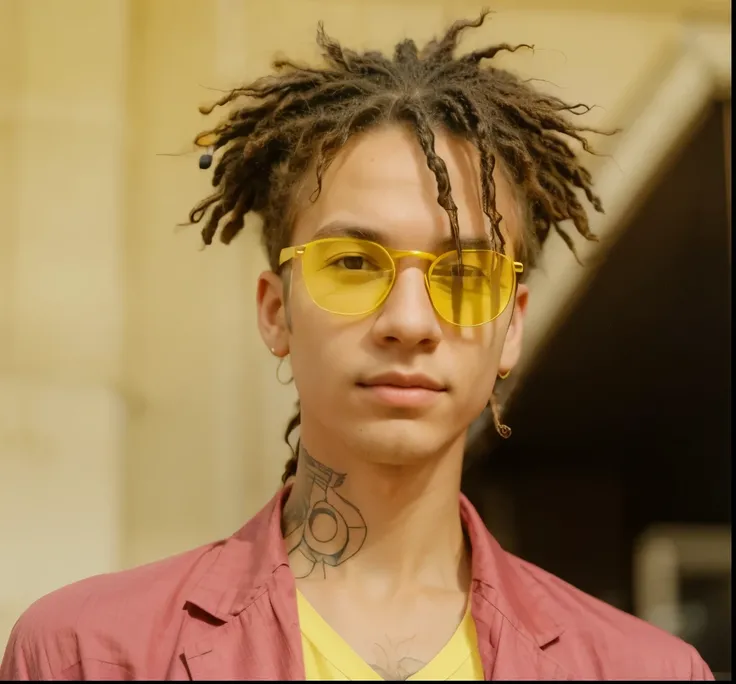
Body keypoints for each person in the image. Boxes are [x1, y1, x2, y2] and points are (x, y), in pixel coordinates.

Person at [1, 12, 714, 681]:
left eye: (464, 273)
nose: (410, 321)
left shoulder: (644, 670)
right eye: (352, 264)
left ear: (513, 326)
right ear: (276, 310)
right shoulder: (88, 654)